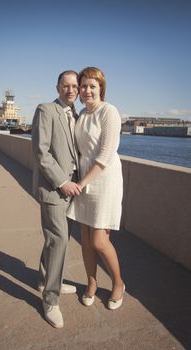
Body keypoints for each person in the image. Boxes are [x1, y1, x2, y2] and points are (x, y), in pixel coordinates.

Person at [67, 67, 125, 310]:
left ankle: (119, 284)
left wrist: (81, 182)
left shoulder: (108, 112)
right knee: (85, 238)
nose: (87, 90)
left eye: (92, 86)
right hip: (84, 181)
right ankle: (91, 283)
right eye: (84, 86)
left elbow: (104, 156)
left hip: (104, 181)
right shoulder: (81, 113)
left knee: (99, 240)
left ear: (101, 88)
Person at [31, 70, 81, 328]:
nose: (71, 90)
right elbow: (41, 152)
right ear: (58, 87)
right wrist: (62, 182)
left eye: (74, 86)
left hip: (72, 190)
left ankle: (44, 278)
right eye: (66, 85)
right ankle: (50, 299)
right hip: (54, 188)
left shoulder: (77, 114)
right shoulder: (46, 110)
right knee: (59, 239)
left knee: (55, 238)